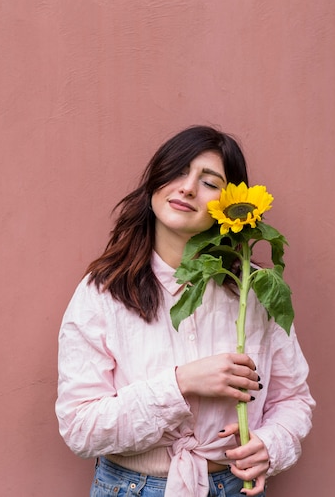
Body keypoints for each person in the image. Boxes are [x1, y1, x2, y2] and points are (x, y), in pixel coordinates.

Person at [55, 125, 315, 497]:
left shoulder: (254, 290)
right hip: (130, 488)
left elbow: (293, 400)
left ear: (229, 206)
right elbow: (80, 427)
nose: (188, 188)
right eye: (179, 171)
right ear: (155, 182)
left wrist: (271, 445)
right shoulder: (104, 292)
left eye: (210, 182)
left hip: (232, 487)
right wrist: (181, 384)